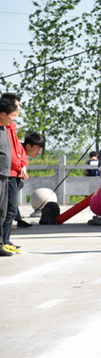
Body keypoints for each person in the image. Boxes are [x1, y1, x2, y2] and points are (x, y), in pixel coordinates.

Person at [1, 93, 25, 251]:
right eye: (17, 107)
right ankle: (3, 240)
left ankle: (4, 241)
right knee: (7, 210)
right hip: (7, 173)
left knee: (7, 210)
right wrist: (18, 166)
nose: (18, 111)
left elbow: (17, 150)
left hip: (10, 174)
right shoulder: (5, 128)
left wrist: (23, 164)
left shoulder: (9, 128)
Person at [15, 132, 45, 229]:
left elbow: (23, 163)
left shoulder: (24, 153)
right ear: (28, 146)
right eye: (38, 149)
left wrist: (23, 171)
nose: (39, 152)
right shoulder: (16, 148)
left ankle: (18, 220)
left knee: (14, 193)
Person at [0, 98, 15, 256]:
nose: (13, 118)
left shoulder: (4, 129)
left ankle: (0, 243)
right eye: (12, 115)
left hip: (4, 176)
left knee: (2, 212)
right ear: (3, 114)